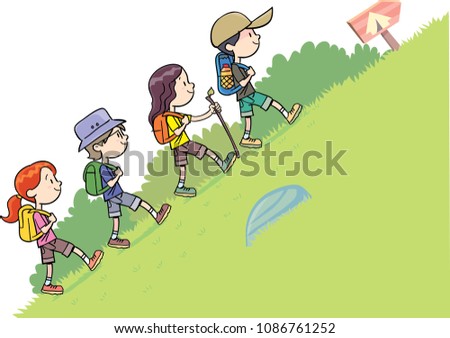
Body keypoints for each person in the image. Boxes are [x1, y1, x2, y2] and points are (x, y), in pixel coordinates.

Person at [1, 161, 104, 295]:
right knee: (71, 248)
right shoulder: (37, 214)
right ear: (32, 192)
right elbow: (43, 230)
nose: (58, 183)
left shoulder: (38, 213)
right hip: (49, 240)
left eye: (54, 179)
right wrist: (51, 221)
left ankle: (47, 284)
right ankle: (89, 261)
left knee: (49, 263)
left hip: (43, 243)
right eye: (50, 180)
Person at [74, 108, 171, 249]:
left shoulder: (105, 166)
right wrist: (118, 174)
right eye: (118, 134)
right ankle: (156, 214)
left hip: (110, 197)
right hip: (116, 195)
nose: (124, 138)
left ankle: (113, 238)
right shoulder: (103, 168)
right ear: (98, 146)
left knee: (115, 217)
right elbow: (111, 183)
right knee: (138, 202)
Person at [210, 7, 303, 148]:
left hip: (243, 96)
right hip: (248, 94)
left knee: (248, 117)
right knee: (269, 102)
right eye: (250, 34)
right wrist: (250, 75)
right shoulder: (235, 67)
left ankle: (246, 137)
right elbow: (241, 83)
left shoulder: (237, 66)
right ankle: (287, 114)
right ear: (230, 46)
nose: (257, 36)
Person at [148, 64, 236, 198]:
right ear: (170, 92)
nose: (191, 85)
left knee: (184, 166)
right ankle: (222, 164)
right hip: (181, 144)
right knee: (203, 152)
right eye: (184, 83)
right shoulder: (168, 117)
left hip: (180, 145)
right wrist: (183, 125)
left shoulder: (176, 115)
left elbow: (196, 118)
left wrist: (211, 112)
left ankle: (181, 186)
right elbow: (176, 133)